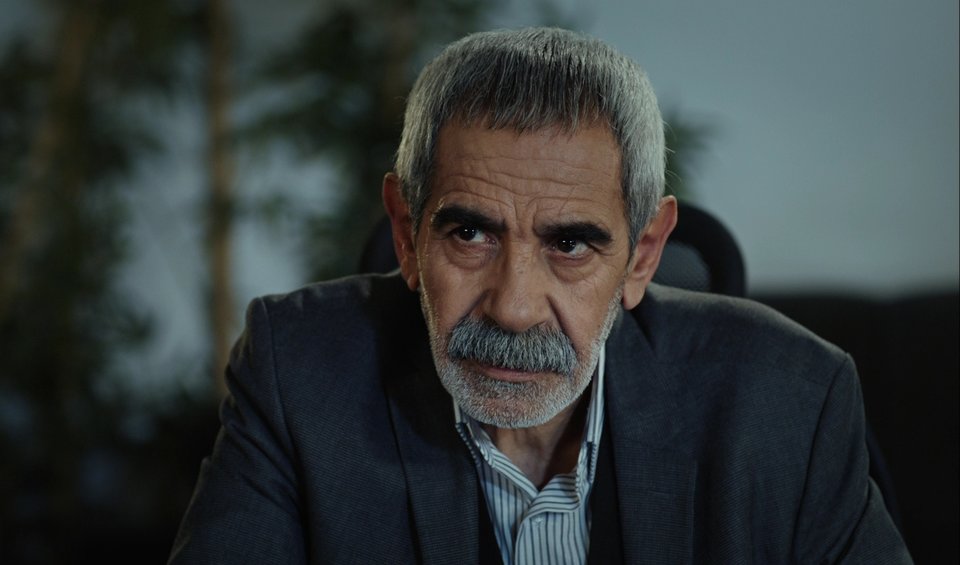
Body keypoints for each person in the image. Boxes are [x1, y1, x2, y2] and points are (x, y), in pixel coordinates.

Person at [169, 27, 911, 564]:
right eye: (470, 234)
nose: (514, 307)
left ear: (643, 254)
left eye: (570, 244)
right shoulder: (296, 374)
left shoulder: (792, 402)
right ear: (406, 233)